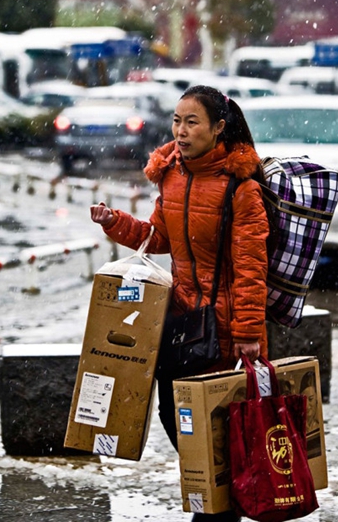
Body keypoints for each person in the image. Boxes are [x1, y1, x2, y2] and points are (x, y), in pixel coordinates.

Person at [90, 85, 269, 522]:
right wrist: (116, 223)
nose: (181, 131)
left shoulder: (241, 189)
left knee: (214, 436)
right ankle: (214, 506)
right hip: (181, 323)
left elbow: (251, 269)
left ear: (218, 128)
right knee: (180, 422)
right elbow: (159, 238)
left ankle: (214, 512)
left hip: (225, 332)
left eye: (192, 122)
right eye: (176, 121)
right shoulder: (173, 176)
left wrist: (247, 334)